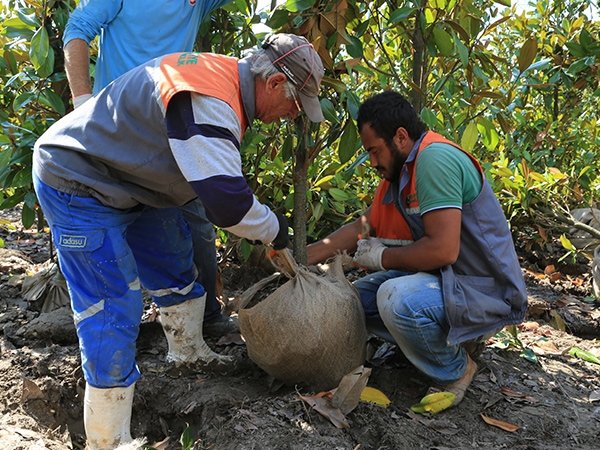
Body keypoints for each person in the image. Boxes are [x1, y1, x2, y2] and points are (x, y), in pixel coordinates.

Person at [33, 33, 325, 449]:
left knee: (173, 260)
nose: (290, 115)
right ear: (275, 83)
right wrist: (275, 230)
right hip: (79, 180)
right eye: (294, 106)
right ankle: (108, 438)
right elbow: (228, 204)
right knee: (112, 303)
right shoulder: (208, 98)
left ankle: (187, 352)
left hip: (133, 180)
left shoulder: (222, 80)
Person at [307, 90, 527, 408]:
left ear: (400, 136)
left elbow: (443, 250)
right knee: (352, 302)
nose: (371, 162)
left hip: (482, 289)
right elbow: (363, 227)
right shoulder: (399, 174)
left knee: (397, 300)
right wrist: (304, 255)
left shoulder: (434, 160)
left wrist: (382, 257)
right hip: (446, 282)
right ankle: (432, 342)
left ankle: (456, 369)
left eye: (374, 151)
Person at [63, 0, 237, 338]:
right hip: (115, 128)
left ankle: (206, 317)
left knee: (198, 221)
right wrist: (82, 106)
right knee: (108, 220)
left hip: (167, 128)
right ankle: (113, 322)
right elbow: (77, 31)